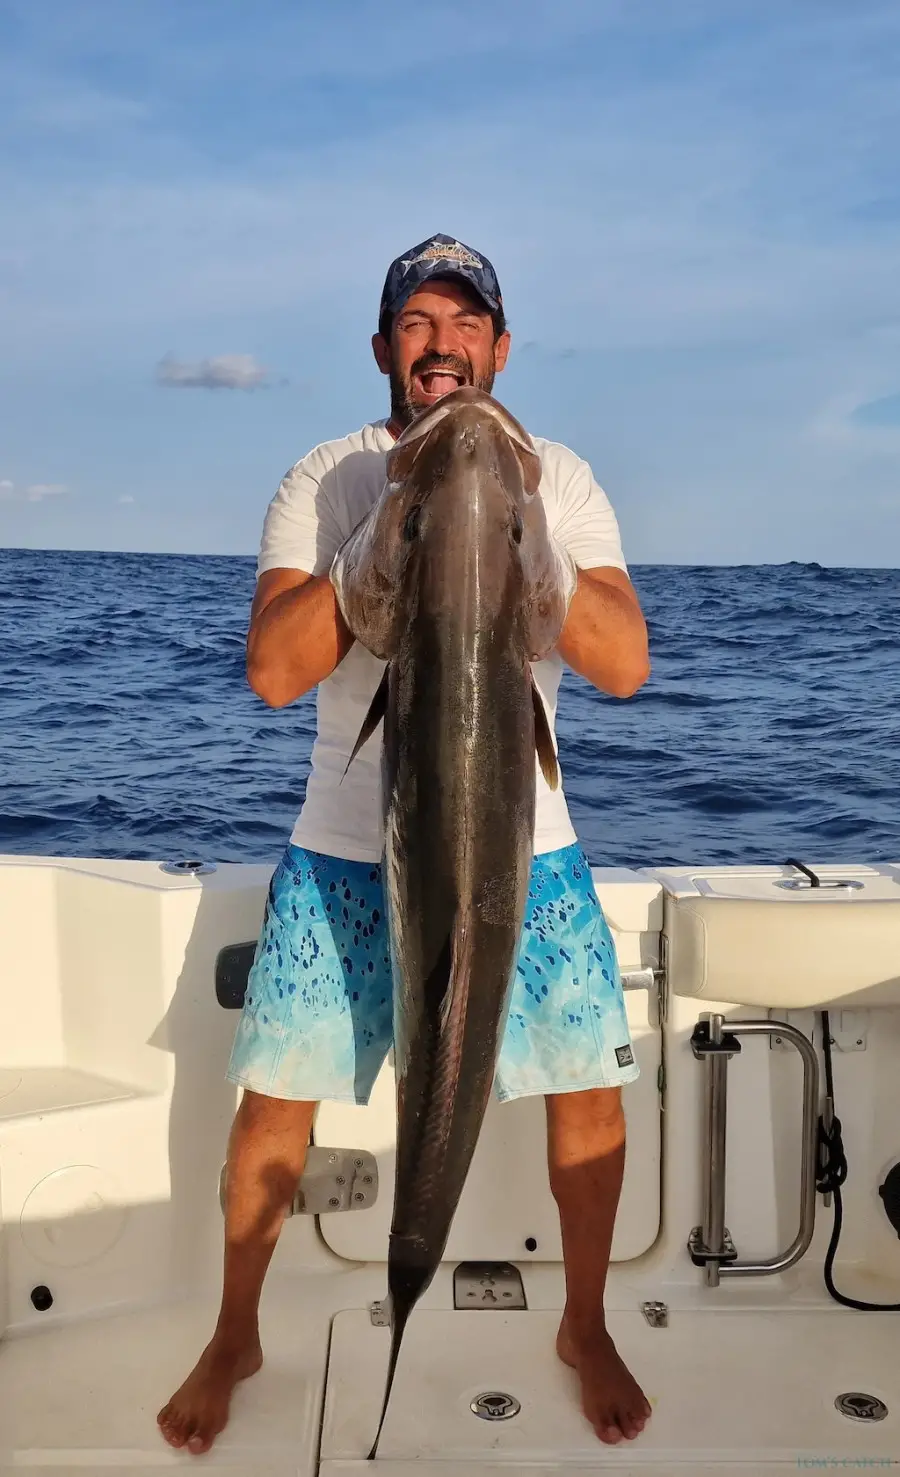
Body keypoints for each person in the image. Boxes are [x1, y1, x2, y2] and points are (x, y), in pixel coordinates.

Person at [158, 234, 652, 1456]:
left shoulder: (560, 477)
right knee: (273, 1105)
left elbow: (625, 664)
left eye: (465, 323)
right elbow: (275, 672)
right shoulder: (329, 475)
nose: (443, 345)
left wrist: (522, 533)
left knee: (588, 1096)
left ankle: (585, 1321)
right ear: (384, 347)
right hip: (344, 847)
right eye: (418, 324)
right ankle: (234, 1331)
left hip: (530, 852)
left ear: (500, 346)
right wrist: (387, 536)